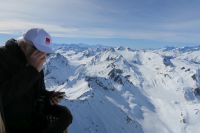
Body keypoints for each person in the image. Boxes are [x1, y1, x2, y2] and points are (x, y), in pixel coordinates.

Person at [0, 28, 73, 133]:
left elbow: (37, 92)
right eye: (38, 50)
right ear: (24, 45)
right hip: (13, 120)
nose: (43, 56)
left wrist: (48, 97)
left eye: (46, 53)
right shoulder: (3, 58)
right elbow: (4, 96)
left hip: (34, 114)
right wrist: (31, 71)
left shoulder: (34, 62)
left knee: (66, 115)